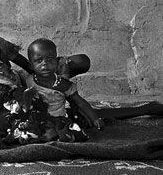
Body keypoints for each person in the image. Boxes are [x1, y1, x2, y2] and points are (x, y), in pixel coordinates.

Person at [0, 16, 91, 150]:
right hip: (10, 114)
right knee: (35, 129)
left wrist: (60, 88)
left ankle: (64, 97)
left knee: (80, 61)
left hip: (26, 85)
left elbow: (29, 66)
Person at [26, 38, 163, 129]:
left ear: (56, 61)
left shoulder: (60, 84)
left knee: (91, 115)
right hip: (41, 116)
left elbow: (79, 101)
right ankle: (149, 108)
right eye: (39, 61)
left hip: (59, 116)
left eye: (50, 60)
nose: (44, 64)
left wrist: (93, 117)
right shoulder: (29, 80)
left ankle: (148, 108)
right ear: (32, 65)